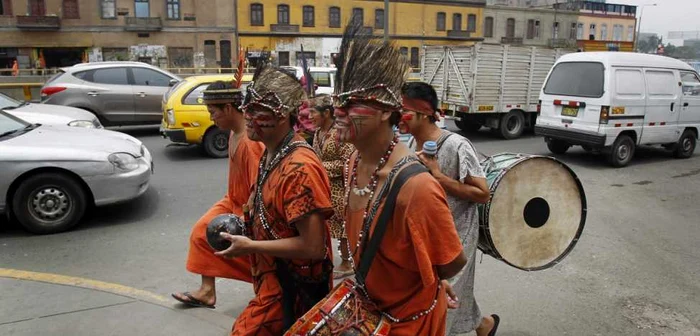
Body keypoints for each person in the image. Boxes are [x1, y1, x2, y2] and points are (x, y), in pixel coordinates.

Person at [332, 22, 467, 335]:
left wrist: (426, 281)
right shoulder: (353, 162)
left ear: (384, 112)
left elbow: (453, 261)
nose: (338, 111)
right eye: (337, 101)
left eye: (351, 103)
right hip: (367, 313)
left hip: (408, 323)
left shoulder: (417, 187)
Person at [215, 64, 335, 335]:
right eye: (247, 107)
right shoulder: (271, 153)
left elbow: (313, 247)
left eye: (257, 110)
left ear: (282, 116)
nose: (246, 116)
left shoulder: (299, 168)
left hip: (292, 291)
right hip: (272, 284)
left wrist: (252, 245)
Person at [399, 81, 501, 336]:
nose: (398, 116)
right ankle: (484, 325)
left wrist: (439, 177)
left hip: (456, 236)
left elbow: (482, 193)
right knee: (447, 291)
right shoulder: (412, 145)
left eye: (404, 111)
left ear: (423, 113)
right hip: (426, 238)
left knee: (442, 302)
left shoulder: (457, 145)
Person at [171, 81, 265, 309]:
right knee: (200, 233)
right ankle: (206, 292)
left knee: (249, 254)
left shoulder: (250, 142)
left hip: (247, 207)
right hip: (232, 200)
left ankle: (269, 289)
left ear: (229, 109)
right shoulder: (234, 133)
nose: (211, 118)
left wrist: (246, 220)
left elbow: (260, 187)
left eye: (213, 112)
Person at [308, 94, 356, 278]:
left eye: (313, 112)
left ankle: (347, 262)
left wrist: (319, 167)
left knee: (343, 225)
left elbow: (348, 161)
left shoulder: (339, 133)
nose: (309, 116)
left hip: (341, 187)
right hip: (324, 186)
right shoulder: (319, 133)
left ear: (326, 113)